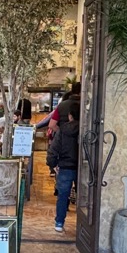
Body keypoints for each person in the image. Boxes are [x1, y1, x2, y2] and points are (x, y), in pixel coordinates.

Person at [46, 99, 80, 233]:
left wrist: (52, 164)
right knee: (84, 197)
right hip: (82, 168)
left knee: (63, 195)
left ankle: (59, 223)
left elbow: (54, 149)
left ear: (70, 116)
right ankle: (84, 224)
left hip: (65, 166)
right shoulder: (86, 130)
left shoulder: (63, 130)